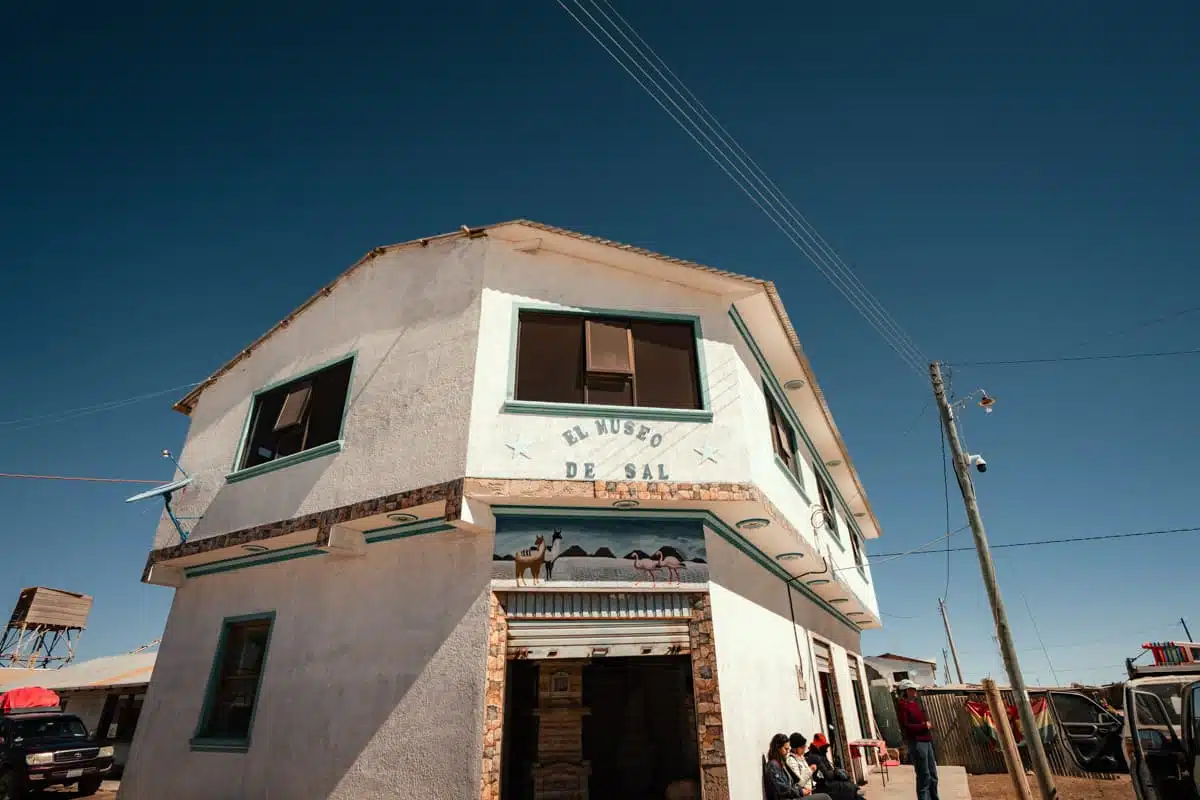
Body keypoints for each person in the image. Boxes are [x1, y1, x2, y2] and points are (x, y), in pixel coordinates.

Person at [896, 679, 939, 800]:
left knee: (933, 774)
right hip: (917, 742)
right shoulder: (903, 706)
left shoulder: (916, 703)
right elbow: (906, 726)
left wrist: (927, 724)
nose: (915, 691)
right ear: (906, 691)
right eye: (912, 689)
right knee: (924, 776)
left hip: (927, 740)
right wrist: (923, 726)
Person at [805, 734, 864, 800]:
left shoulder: (821, 756)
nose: (826, 750)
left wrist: (838, 772)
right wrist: (836, 772)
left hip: (829, 783)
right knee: (849, 789)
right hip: (823, 786)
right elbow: (826, 776)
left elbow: (829, 770)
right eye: (825, 747)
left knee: (852, 789)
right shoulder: (814, 758)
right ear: (819, 747)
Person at [765, 733, 805, 799]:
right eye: (785, 749)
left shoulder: (782, 763)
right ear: (778, 748)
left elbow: (792, 783)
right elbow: (781, 789)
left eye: (788, 749)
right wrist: (800, 792)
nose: (787, 752)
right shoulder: (773, 765)